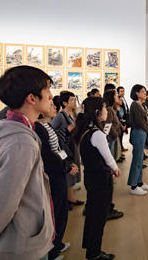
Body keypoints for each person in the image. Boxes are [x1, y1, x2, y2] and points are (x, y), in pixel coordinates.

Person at [0, 66, 55, 260]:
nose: (51, 96)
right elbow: (3, 203)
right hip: (20, 247)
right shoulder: (19, 142)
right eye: (47, 90)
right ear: (31, 98)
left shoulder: (14, 132)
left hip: (19, 239)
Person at [73, 97, 121, 260]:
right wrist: (115, 168)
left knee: (93, 213)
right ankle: (94, 253)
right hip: (101, 178)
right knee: (99, 216)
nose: (107, 112)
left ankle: (90, 247)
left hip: (91, 177)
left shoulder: (85, 130)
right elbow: (108, 157)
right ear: (97, 112)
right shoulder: (97, 134)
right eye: (104, 109)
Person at [35, 102, 78, 260]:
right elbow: (48, 155)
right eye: (50, 103)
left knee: (60, 210)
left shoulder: (47, 125)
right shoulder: (38, 127)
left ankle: (57, 243)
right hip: (53, 174)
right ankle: (52, 251)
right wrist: (66, 167)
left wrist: (68, 163)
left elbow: (58, 148)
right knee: (56, 211)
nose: (54, 106)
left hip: (59, 170)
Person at [52, 91, 83, 208]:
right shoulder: (60, 116)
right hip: (65, 149)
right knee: (68, 171)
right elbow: (52, 131)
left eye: (75, 99)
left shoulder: (74, 115)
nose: (74, 102)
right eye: (71, 100)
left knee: (73, 170)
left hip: (73, 146)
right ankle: (66, 199)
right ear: (64, 103)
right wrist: (66, 131)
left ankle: (70, 197)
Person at [127, 85, 148, 195]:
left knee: (140, 159)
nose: (145, 93)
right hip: (138, 132)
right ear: (136, 93)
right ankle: (133, 186)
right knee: (137, 159)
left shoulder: (142, 104)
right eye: (142, 92)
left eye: (145, 91)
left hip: (142, 132)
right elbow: (140, 122)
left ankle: (139, 183)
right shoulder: (135, 105)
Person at [116, 86, 129, 152]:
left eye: (123, 91)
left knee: (121, 135)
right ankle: (120, 149)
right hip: (120, 121)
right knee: (119, 135)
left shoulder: (123, 99)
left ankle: (121, 147)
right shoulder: (118, 100)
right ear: (117, 92)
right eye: (121, 91)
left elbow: (125, 108)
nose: (123, 92)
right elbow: (119, 112)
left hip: (124, 119)